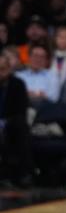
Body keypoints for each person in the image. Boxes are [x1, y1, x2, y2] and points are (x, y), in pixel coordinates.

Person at [0, 53, 32, 186]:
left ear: (9, 69)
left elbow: (21, 109)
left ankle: (23, 174)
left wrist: (4, 122)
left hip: (11, 122)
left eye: (3, 68)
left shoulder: (18, 84)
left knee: (20, 126)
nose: (0, 72)